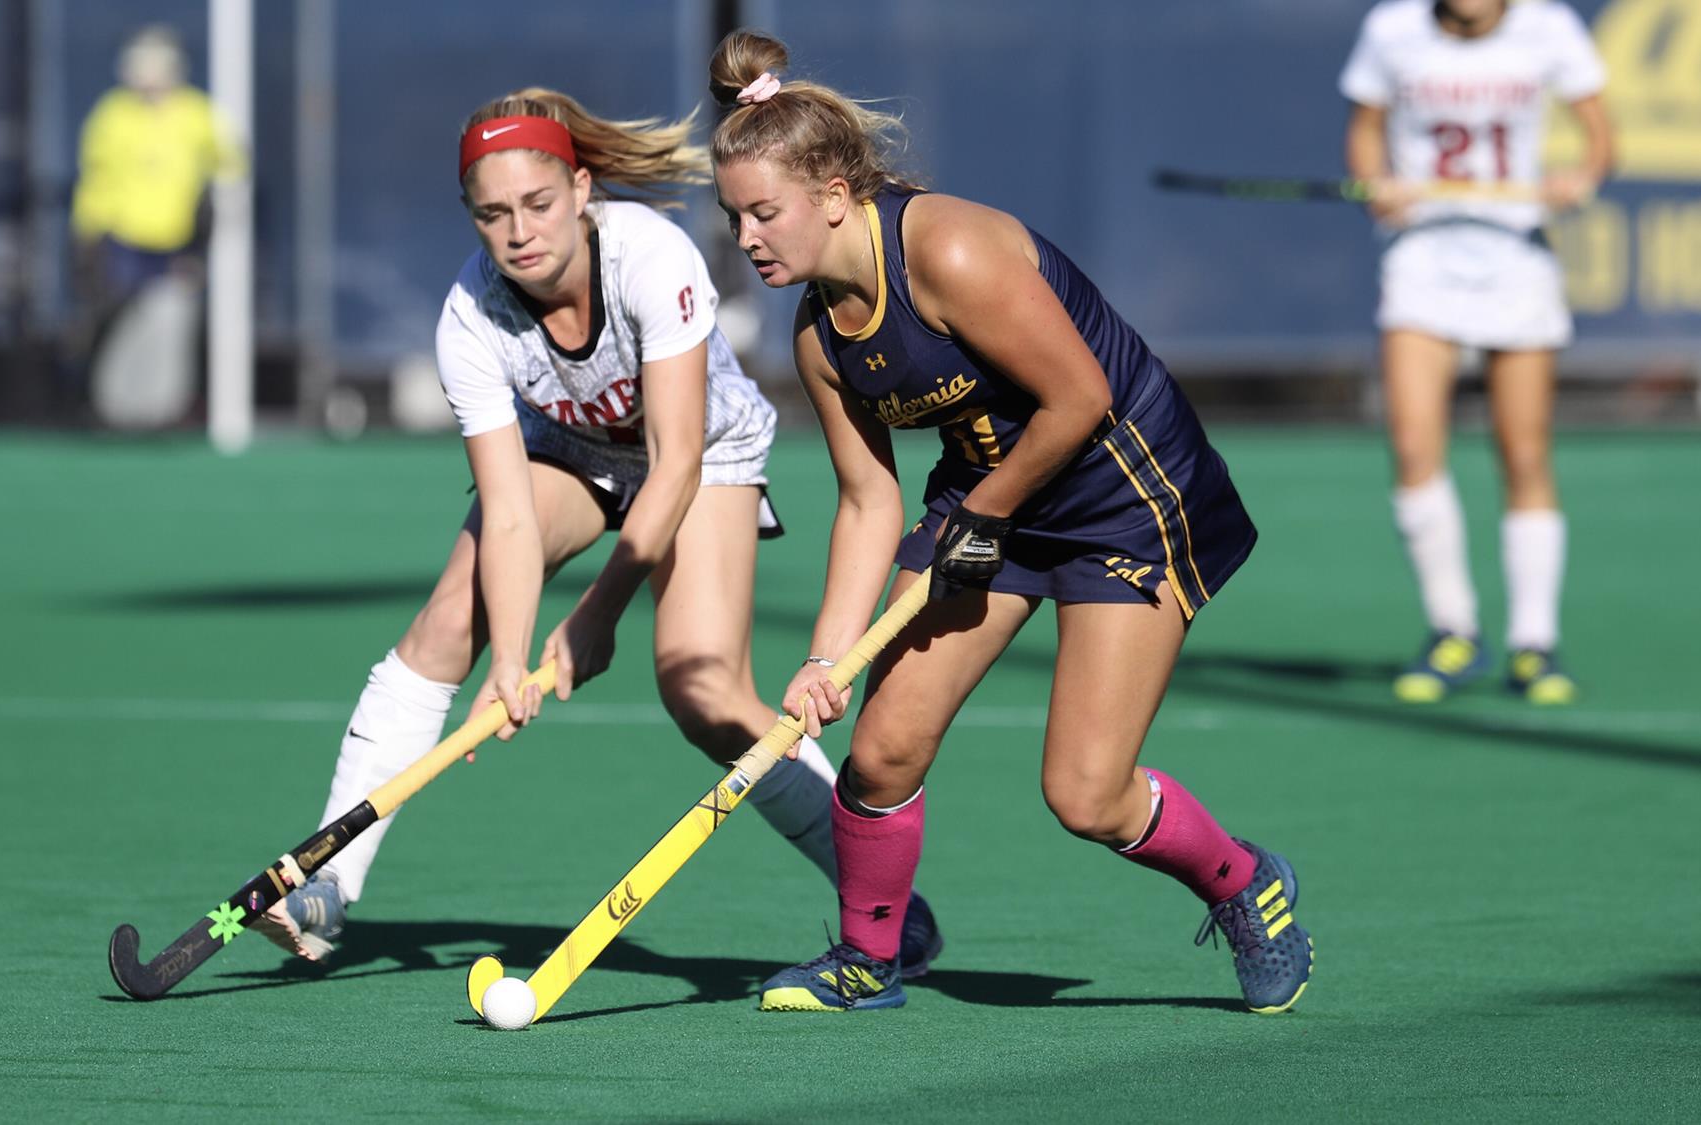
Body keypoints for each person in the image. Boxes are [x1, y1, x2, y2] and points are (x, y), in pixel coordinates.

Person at [255, 88, 942, 976]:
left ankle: (880, 900)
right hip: (572, 450)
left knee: (703, 690)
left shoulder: (649, 257)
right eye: (492, 214)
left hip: (703, 451)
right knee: (446, 624)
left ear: (580, 190)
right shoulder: (470, 316)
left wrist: (596, 614)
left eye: (538, 204)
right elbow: (507, 509)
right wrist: (511, 659)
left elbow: (676, 461)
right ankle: (326, 884)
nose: (519, 233)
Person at [706, 31, 1312, 1015]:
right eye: (733, 217)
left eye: (762, 213)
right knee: (880, 750)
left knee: (1086, 793)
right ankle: (867, 959)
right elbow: (867, 499)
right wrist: (825, 657)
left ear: (833, 194)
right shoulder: (819, 336)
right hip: (990, 498)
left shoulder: (949, 252)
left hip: (1123, 492)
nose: (746, 238)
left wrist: (981, 515)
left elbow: (1079, 397)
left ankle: (1244, 884)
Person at [1340, 0, 1612, 704]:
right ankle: (1452, 630)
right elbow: (1365, 130)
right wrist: (1377, 185)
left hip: (1516, 261)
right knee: (1413, 448)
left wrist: (1578, 178)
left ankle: (1534, 643)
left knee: (1523, 455)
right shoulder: (1392, 29)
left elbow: (1598, 137)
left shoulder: (1549, 27)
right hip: (1423, 261)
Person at [69, 25, 244, 428]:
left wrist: (212, 218)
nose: (148, 74)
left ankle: (159, 409)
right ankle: (114, 408)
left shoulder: (196, 112)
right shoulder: (113, 114)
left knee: (172, 320)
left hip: (177, 243)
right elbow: (95, 178)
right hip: (123, 242)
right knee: (120, 325)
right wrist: (87, 234)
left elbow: (231, 161)